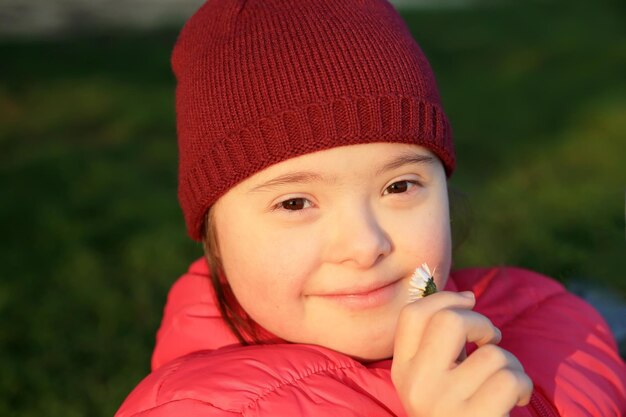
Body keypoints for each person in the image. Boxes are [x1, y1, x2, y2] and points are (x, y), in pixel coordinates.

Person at [115, 0, 626, 416]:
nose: (365, 246)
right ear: (213, 234)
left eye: (399, 187)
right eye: (295, 201)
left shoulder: (548, 318)